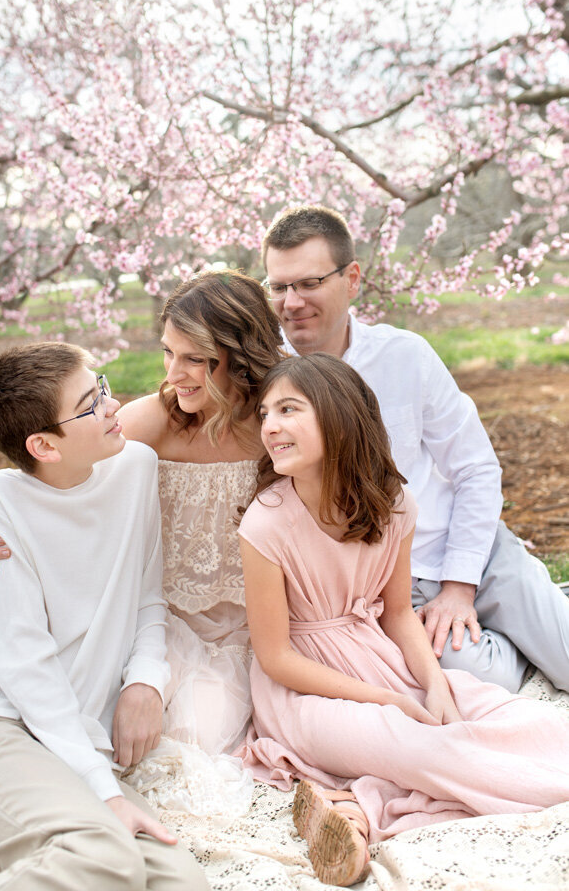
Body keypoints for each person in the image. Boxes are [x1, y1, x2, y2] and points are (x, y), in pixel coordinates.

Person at [236, 353, 569, 887]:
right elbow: (276, 659)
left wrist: (433, 685)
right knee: (420, 745)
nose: (270, 425)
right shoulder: (266, 524)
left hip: (373, 655)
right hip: (302, 692)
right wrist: (391, 700)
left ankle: (354, 806)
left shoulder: (394, 505)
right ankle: (357, 803)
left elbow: (397, 615)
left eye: (288, 409)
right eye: (266, 413)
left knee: (493, 708)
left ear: (337, 415)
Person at [0, 342, 208, 891]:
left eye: (105, 388)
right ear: (43, 444)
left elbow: (146, 595)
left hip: (64, 744)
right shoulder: (1, 499)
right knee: (102, 860)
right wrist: (106, 789)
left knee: (178, 879)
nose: (114, 406)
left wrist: (144, 680)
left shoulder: (134, 467)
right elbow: (24, 664)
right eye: (92, 403)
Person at [0, 271, 284, 763]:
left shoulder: (280, 424)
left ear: (242, 359)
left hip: (259, 628)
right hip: (161, 621)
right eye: (168, 352)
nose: (174, 374)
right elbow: (56, 466)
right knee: (133, 740)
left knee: (206, 746)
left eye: (195, 359)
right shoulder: (156, 421)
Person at [262, 204, 569, 692]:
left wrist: (461, 586)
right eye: (278, 287)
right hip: (400, 582)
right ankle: (519, 635)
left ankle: (530, 606)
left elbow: (476, 469)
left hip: (474, 548)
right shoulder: (267, 379)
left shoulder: (405, 355)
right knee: (482, 681)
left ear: (352, 279)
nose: (291, 302)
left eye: (309, 283)